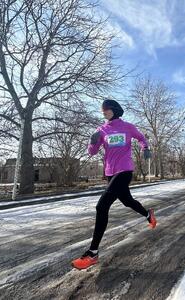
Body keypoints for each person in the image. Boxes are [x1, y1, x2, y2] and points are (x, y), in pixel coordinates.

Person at [72, 99, 157, 270]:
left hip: (125, 170)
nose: (103, 112)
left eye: (106, 109)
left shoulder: (127, 127)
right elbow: (92, 152)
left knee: (101, 207)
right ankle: (148, 215)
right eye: (102, 110)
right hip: (110, 173)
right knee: (127, 201)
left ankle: (93, 253)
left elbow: (141, 138)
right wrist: (93, 141)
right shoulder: (101, 130)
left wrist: (145, 148)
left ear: (114, 110)